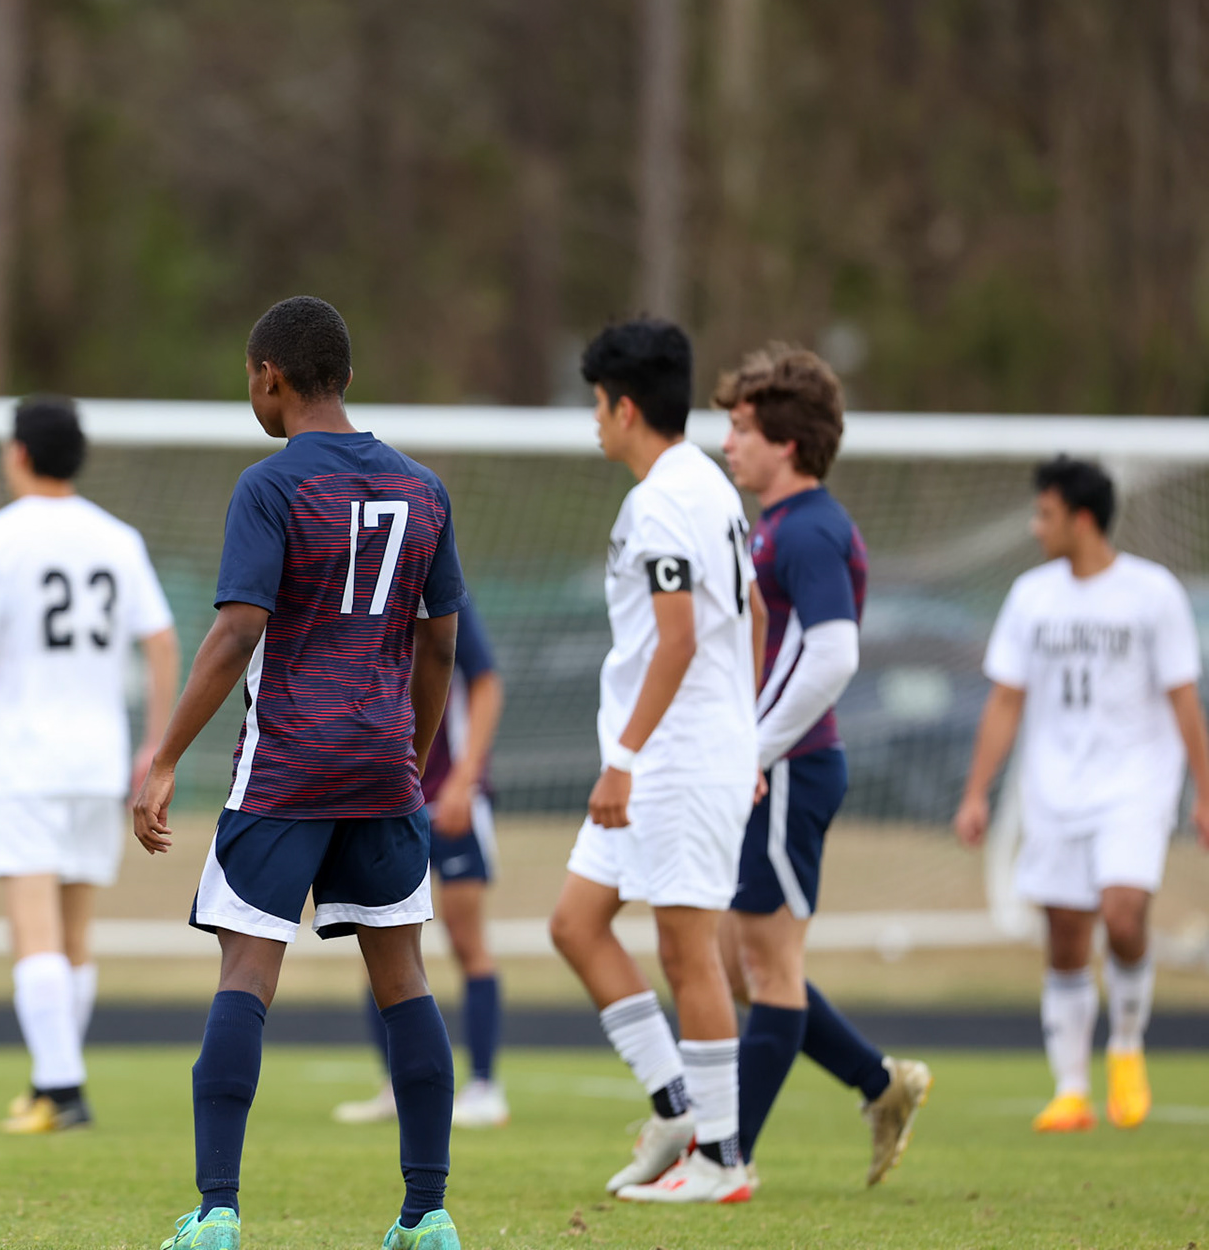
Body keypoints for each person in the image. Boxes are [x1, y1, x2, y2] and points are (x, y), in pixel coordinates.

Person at [133, 296, 469, 1250]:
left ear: (267, 376)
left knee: (247, 972)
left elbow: (239, 629)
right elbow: (438, 645)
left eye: (252, 378)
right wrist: (408, 752)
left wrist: (163, 759)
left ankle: (217, 1213)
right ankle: (427, 1213)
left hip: (286, 765)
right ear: (348, 378)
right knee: (403, 980)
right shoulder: (425, 491)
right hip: (381, 769)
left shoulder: (271, 487)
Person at [546, 318, 760, 1205]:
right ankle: (676, 1107)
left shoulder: (667, 500)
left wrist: (625, 758)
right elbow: (736, 621)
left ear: (625, 407)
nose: (594, 421)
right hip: (678, 751)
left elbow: (677, 641)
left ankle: (722, 1160)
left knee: (688, 954)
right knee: (575, 923)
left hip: (671, 759)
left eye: (597, 405)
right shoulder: (701, 485)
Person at [0, 398, 180, 1134]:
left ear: (17, 454)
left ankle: (62, 1090)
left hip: (27, 758)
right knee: (74, 936)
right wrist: (155, 741)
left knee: (34, 932)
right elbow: (162, 643)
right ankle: (53, 1083)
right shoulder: (118, 538)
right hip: (100, 759)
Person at [713, 344, 930, 1188]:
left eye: (741, 429)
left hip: (792, 768)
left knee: (767, 971)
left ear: (788, 443)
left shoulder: (807, 528)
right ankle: (882, 1082)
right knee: (745, 968)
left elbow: (835, 655)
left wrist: (756, 749)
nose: (728, 443)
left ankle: (726, 1157)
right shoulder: (778, 524)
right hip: (778, 766)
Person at [954, 456, 1209, 1133]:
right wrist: (977, 791)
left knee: (1123, 916)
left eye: (1045, 514)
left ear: (1083, 519)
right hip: (1053, 788)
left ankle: (1126, 1045)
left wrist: (1204, 793)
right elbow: (1007, 699)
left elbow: (1185, 699)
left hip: (1135, 785)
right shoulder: (1031, 596)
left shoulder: (1152, 594)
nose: (1036, 527)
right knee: (1066, 934)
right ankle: (1071, 1089)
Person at [336, 600, 508, 1129]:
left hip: (449, 801)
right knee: (379, 937)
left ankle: (484, 1086)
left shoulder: (446, 600)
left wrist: (466, 778)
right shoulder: (358, 598)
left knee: (466, 940)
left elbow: (486, 681)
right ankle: (396, 1083)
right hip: (386, 797)